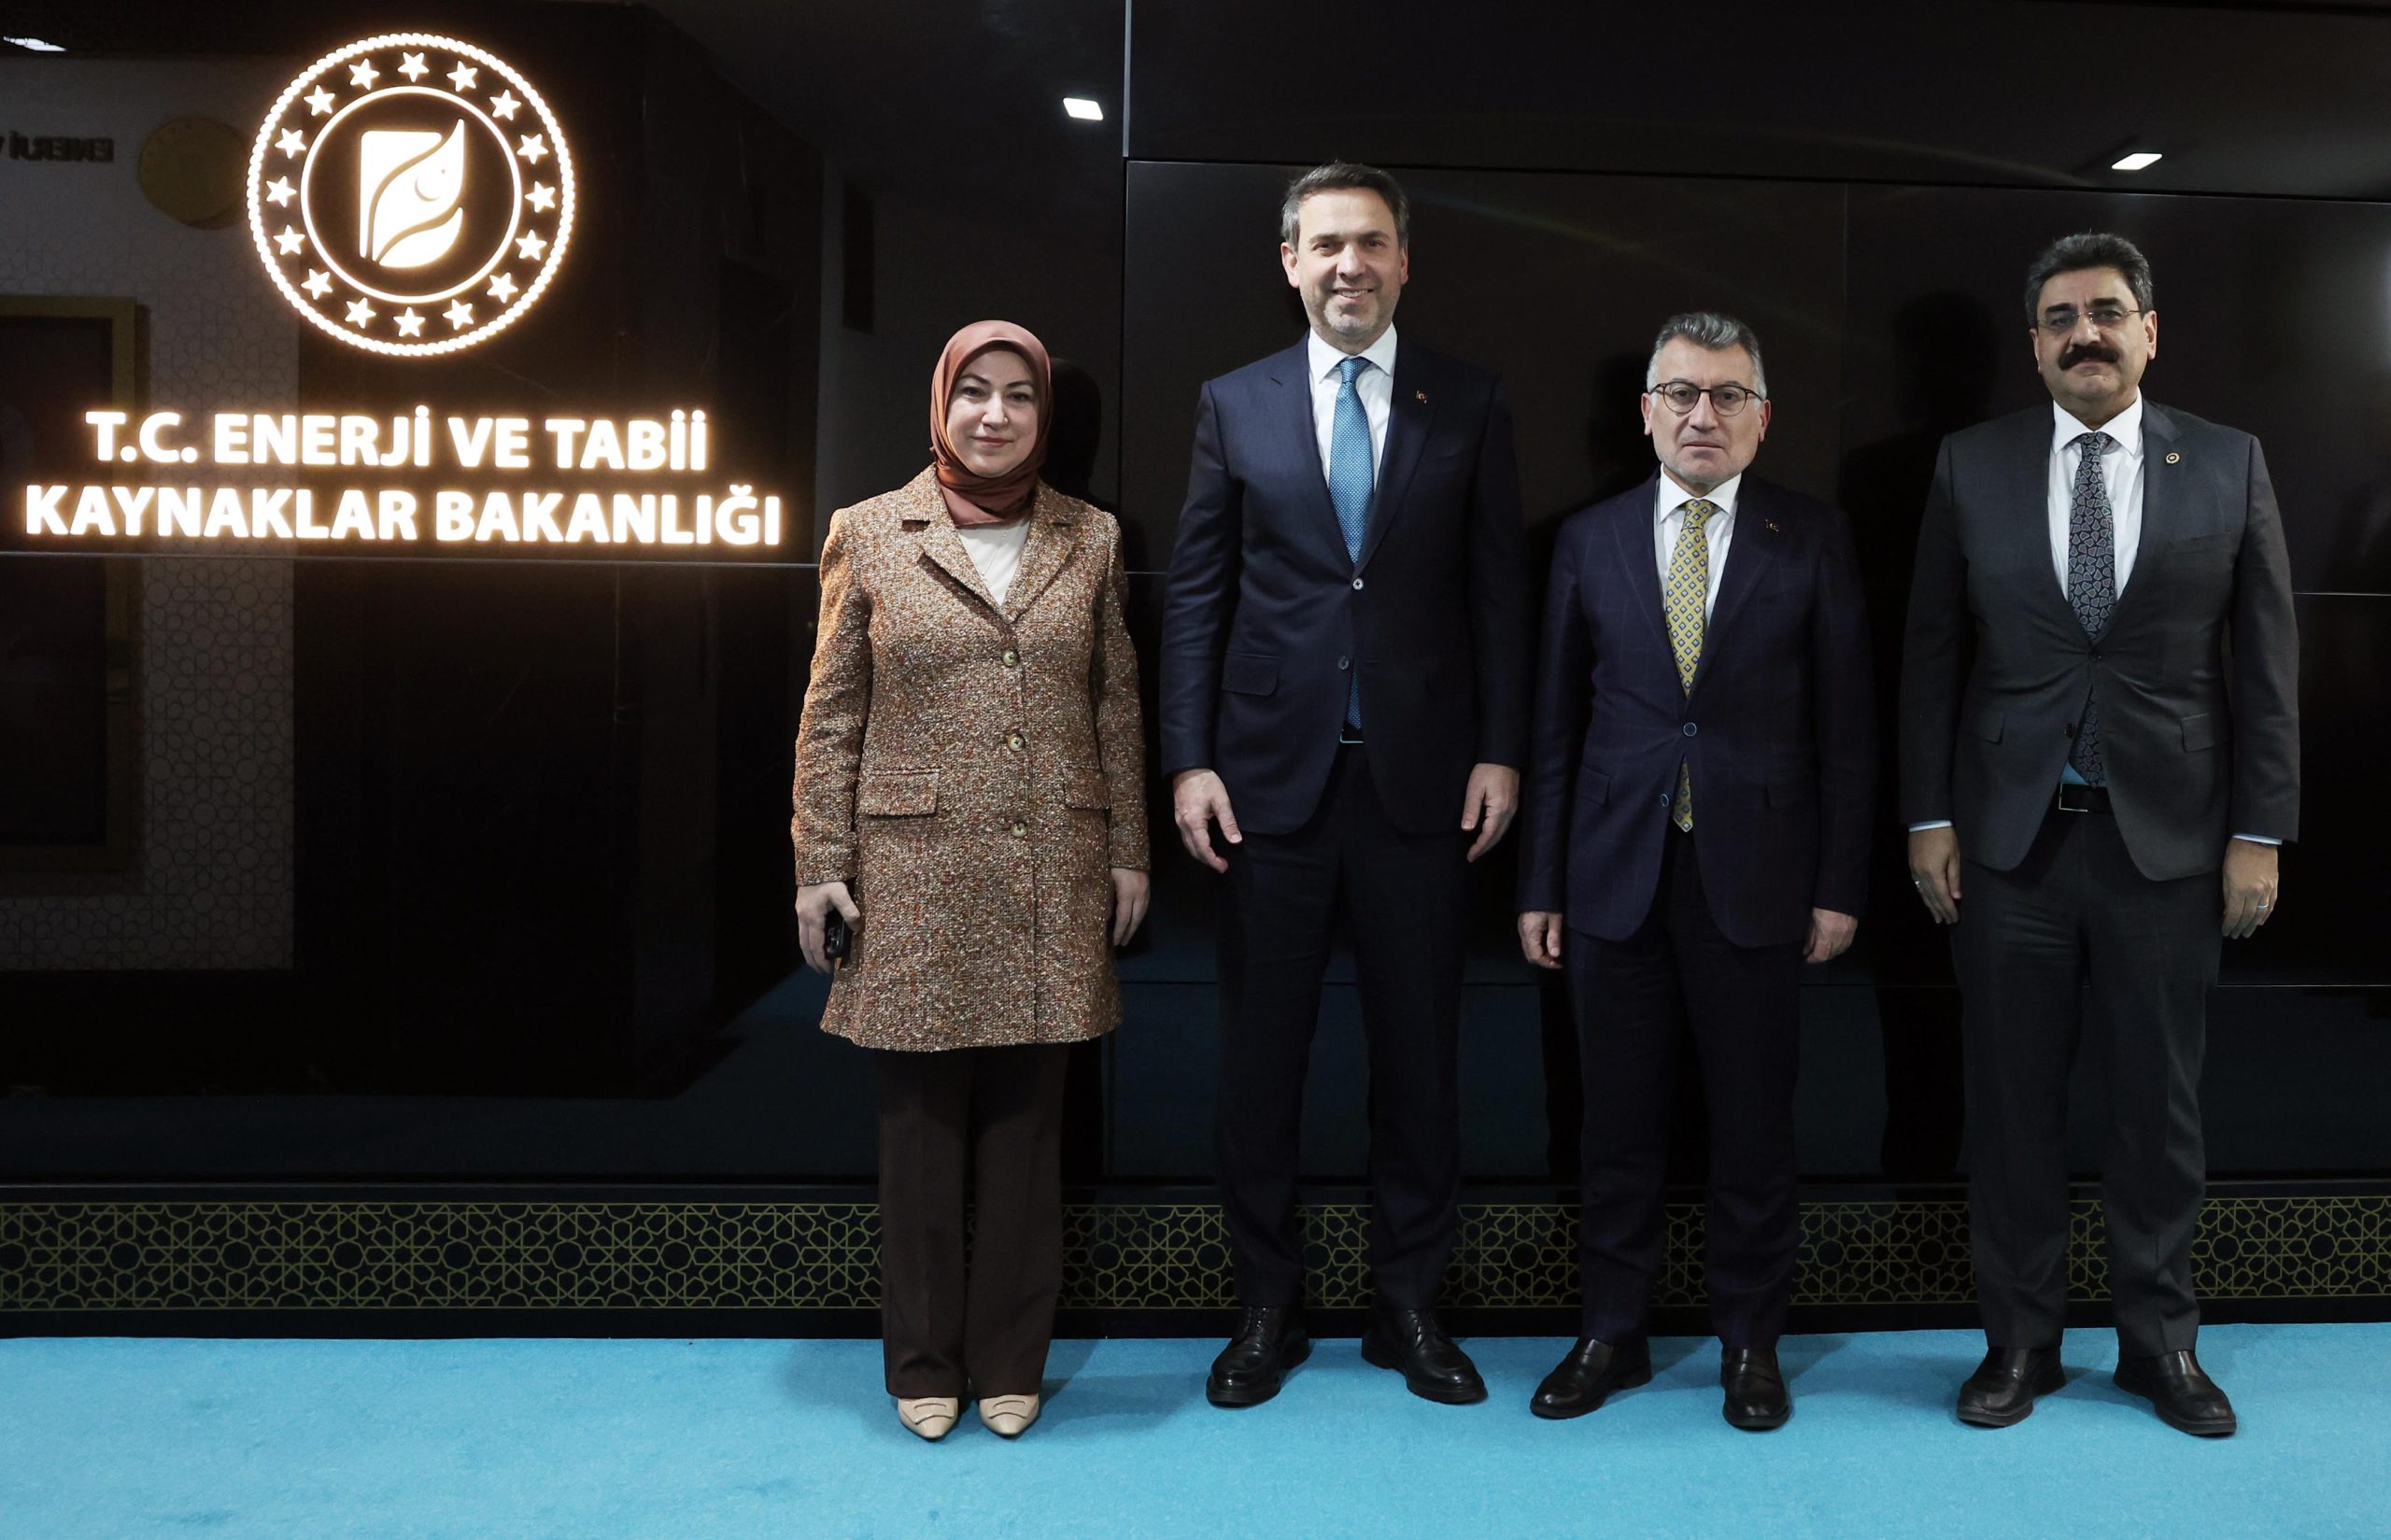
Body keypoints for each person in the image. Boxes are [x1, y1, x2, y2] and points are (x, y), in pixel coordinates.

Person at [1901, 233, 2299, 1436]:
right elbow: (1928, 654)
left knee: (2158, 1105)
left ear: (2148, 329)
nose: (2086, 332)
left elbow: (2268, 667)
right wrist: (1928, 815)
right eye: (2062, 316)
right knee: (2011, 1106)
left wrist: (2260, 830)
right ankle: (2018, 1343)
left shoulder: (2228, 463)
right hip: (2009, 846)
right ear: (2033, 341)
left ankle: (2157, 1343)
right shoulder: (1970, 465)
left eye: (2108, 311)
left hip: (2170, 851)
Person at [1158, 162, 1531, 1407]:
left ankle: (1408, 1304)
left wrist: (1502, 748)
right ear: (1289, 261)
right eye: (1326, 244)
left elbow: (1499, 597)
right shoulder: (1234, 402)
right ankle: (1266, 1305)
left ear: (1405, 259)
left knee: (1420, 1060)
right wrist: (1190, 758)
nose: (1349, 265)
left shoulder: (1468, 399)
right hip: (1267, 790)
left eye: (1370, 242)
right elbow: (1198, 591)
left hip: (1426, 788)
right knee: (1261, 1062)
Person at [791, 320, 1150, 1442]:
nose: (995, 414)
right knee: (919, 1133)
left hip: (1053, 861)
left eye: (1019, 396)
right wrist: (819, 864)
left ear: (1045, 416)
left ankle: (1010, 1359)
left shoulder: (1088, 537)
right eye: (974, 394)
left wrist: (1128, 846)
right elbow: (830, 709)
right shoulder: (870, 529)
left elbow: (1115, 704)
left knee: (1028, 1133)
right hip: (914, 870)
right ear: (940, 404)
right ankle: (921, 1360)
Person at [1515, 312, 1875, 1430]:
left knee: (1753, 1125)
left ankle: (1748, 1341)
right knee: (1613, 1124)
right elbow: (1554, 727)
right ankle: (1609, 1331)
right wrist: (1540, 883)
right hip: (1612, 875)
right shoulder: (1587, 538)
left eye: (1726, 395)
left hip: (1760, 878)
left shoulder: (1810, 538)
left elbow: (1848, 727)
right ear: (1646, 412)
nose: (1701, 414)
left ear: (1762, 418)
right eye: (1680, 393)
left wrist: (1840, 883)